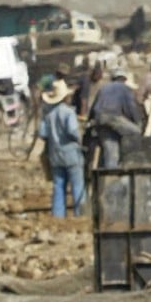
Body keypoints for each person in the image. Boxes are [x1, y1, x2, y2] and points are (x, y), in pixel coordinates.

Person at [38, 79, 86, 217]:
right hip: (71, 153)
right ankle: (80, 214)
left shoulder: (48, 114)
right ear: (65, 97)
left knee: (59, 185)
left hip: (55, 154)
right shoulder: (68, 112)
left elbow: (42, 133)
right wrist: (79, 139)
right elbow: (72, 131)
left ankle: (58, 215)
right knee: (78, 185)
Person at [89, 68, 143, 168]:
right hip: (113, 117)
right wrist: (138, 122)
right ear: (124, 79)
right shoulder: (125, 89)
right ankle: (129, 159)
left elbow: (93, 109)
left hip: (100, 121)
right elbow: (131, 109)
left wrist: (91, 123)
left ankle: (110, 176)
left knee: (111, 153)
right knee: (136, 131)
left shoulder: (103, 88)